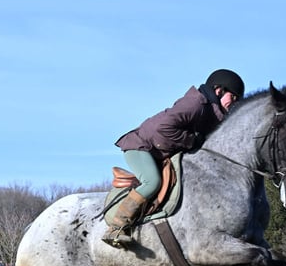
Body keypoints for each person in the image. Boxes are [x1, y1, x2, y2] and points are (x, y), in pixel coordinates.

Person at [103, 68, 245, 247]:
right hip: (141, 146)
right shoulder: (195, 104)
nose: (234, 103)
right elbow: (164, 128)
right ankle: (116, 228)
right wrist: (192, 140)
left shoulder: (213, 113)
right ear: (219, 90)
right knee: (152, 182)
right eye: (233, 97)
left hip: (160, 151)